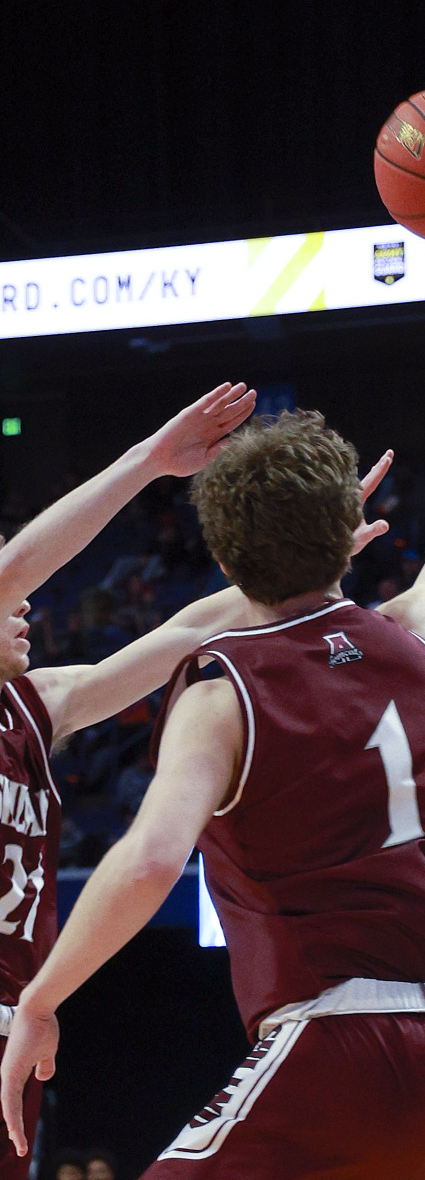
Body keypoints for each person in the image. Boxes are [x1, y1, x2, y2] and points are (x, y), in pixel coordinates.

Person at [1, 291, 425, 1180]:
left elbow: (152, 860)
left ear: (225, 557)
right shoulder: (424, 633)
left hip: (336, 1036)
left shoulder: (222, 689)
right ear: (345, 539)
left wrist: (44, 998)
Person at [0, 382, 263, 1176]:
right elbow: (13, 569)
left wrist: (299, 565)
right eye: (9, 598)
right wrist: (148, 461)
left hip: (15, 1022)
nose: (26, 606)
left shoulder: (33, 707)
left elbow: (188, 631)